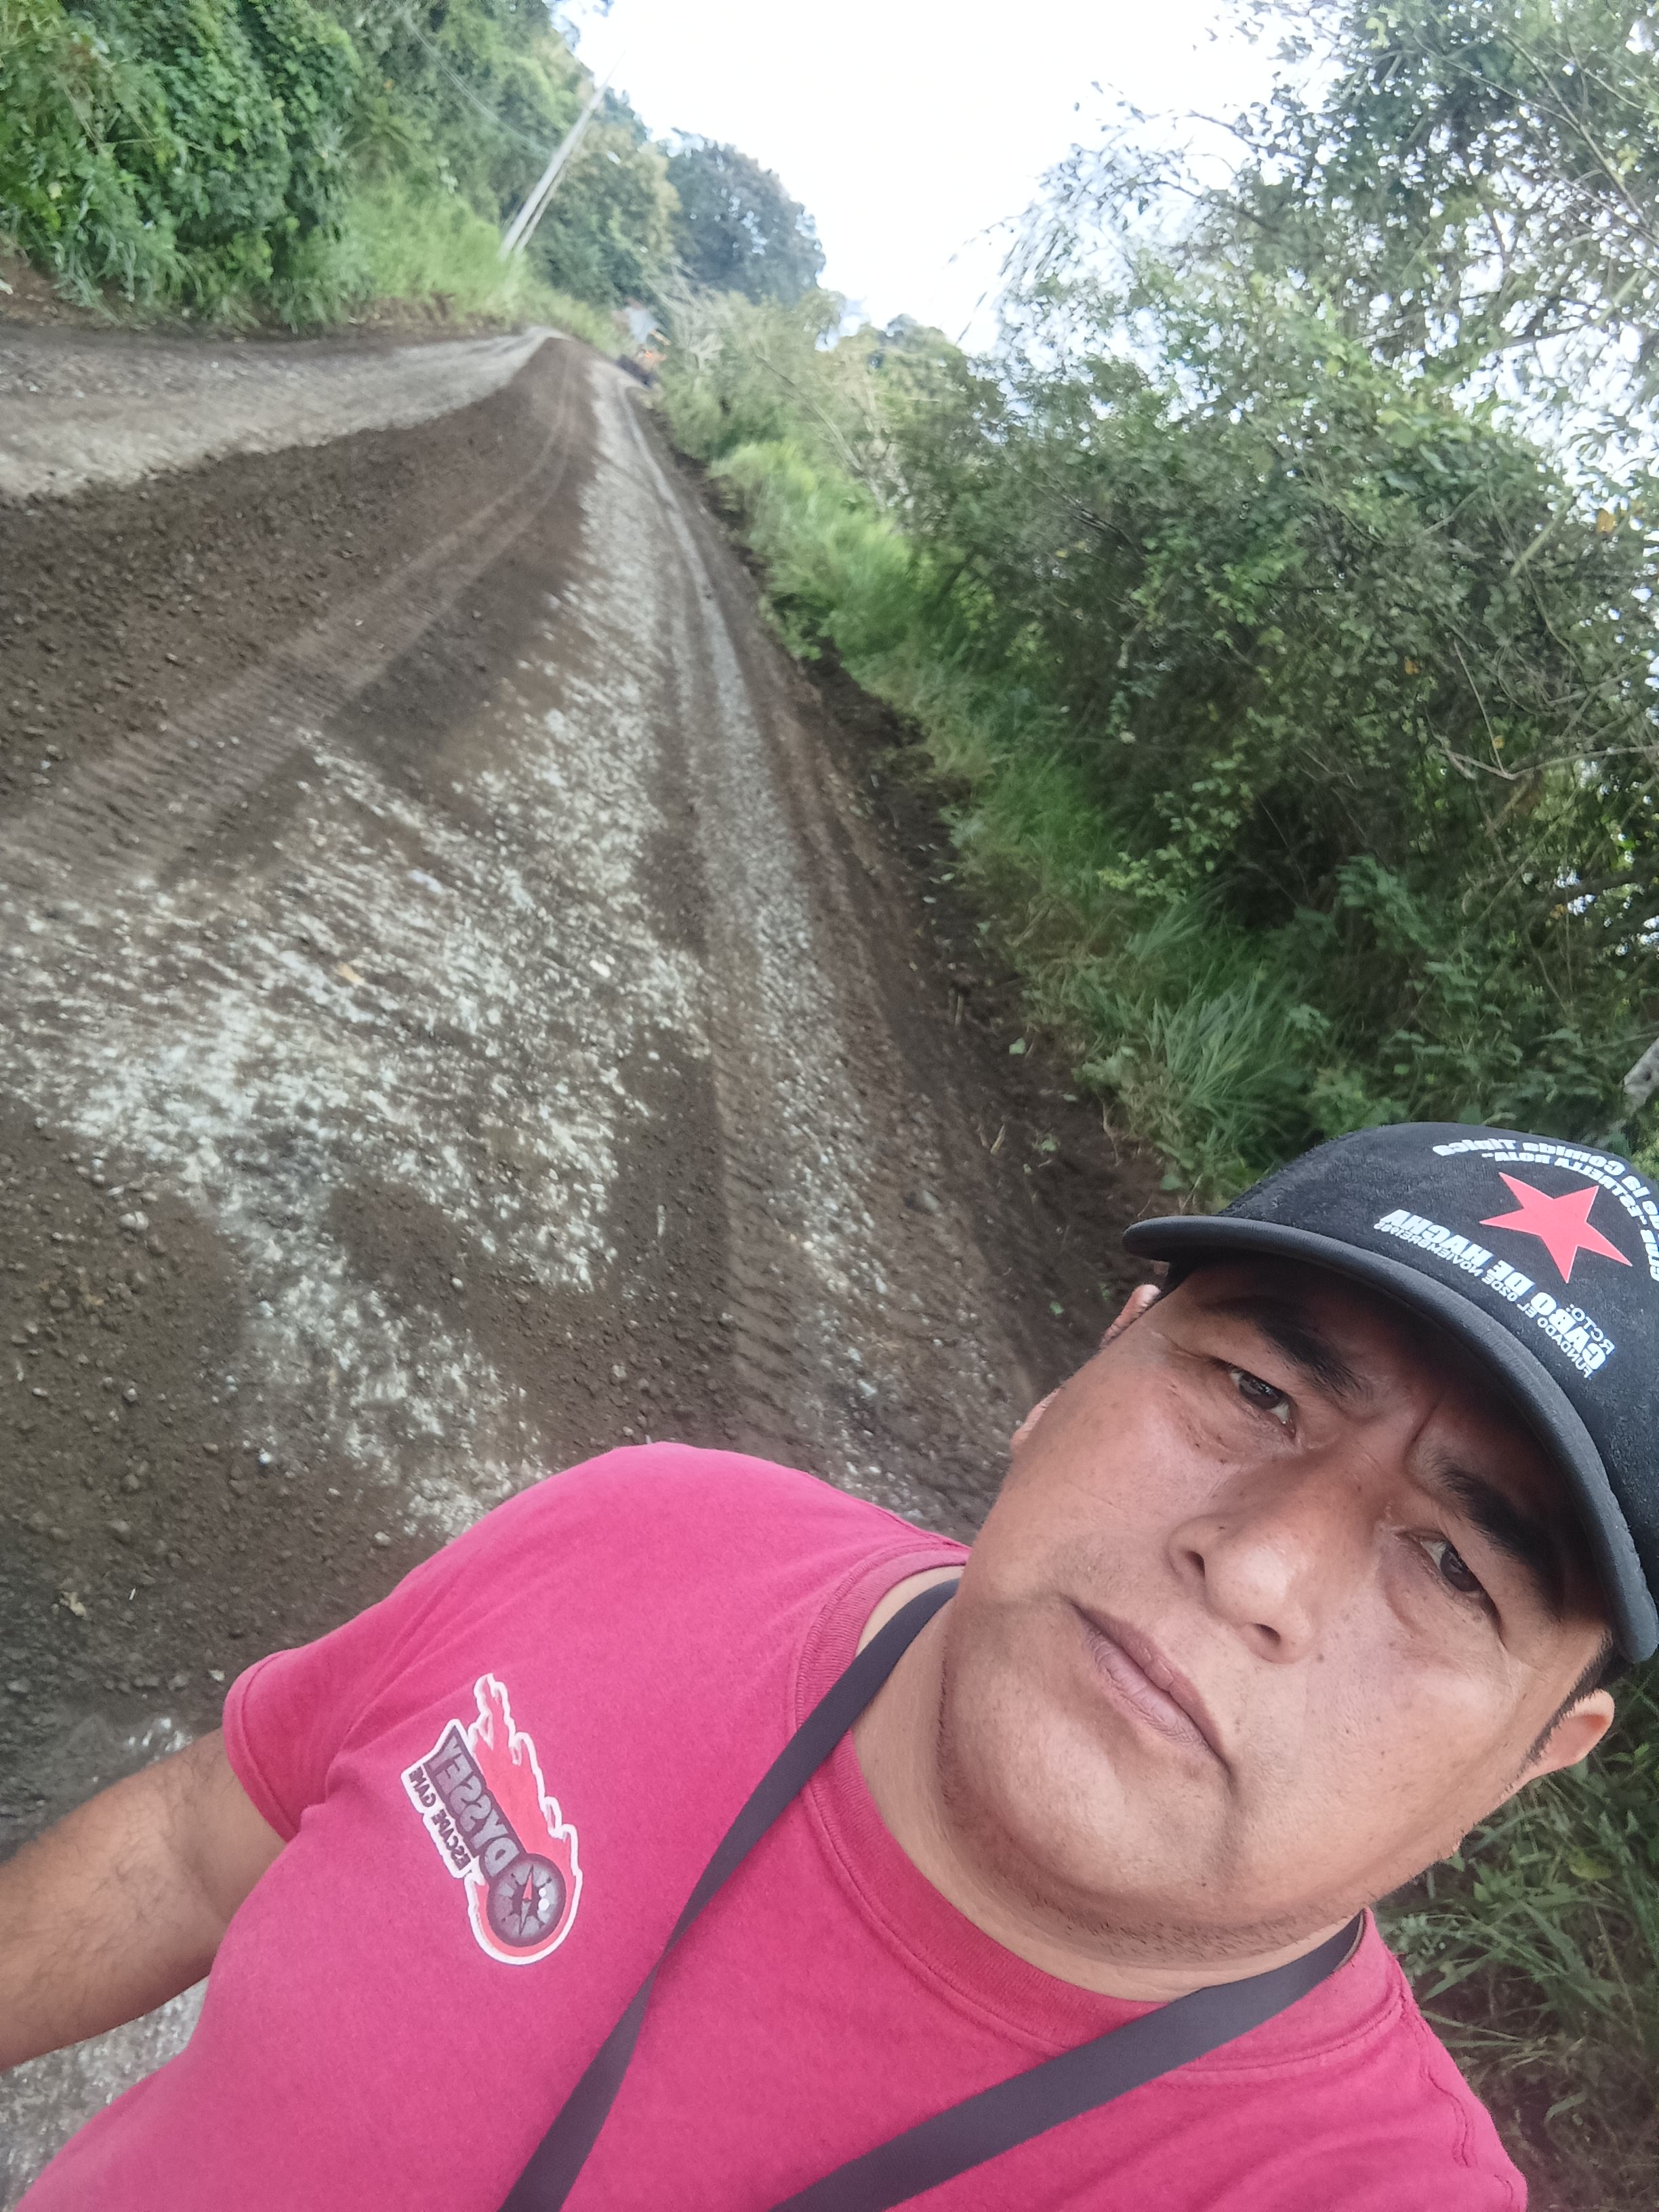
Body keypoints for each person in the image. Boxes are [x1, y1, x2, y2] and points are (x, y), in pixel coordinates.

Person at [3, 1120, 1656, 2210]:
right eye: (1255, 1392)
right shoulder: (649, 1529)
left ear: (1539, 1751)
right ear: (1090, 1365)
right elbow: (197, 1844)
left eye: (1456, 1566)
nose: (1262, 1565)